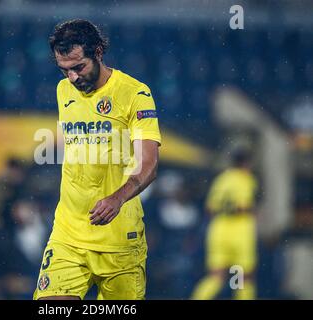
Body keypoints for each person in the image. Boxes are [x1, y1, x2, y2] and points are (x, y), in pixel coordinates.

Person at [33, 19, 161, 300]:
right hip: (68, 235)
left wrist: (117, 198)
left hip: (119, 243)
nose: (73, 78)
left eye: (79, 67)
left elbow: (149, 164)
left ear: (99, 52)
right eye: (64, 70)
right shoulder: (63, 91)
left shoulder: (135, 93)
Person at [191, 148, 258, 300]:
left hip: (219, 230)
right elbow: (243, 206)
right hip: (240, 232)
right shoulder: (245, 179)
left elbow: (209, 208)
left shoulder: (221, 179)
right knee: (242, 276)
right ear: (246, 163)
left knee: (216, 276)